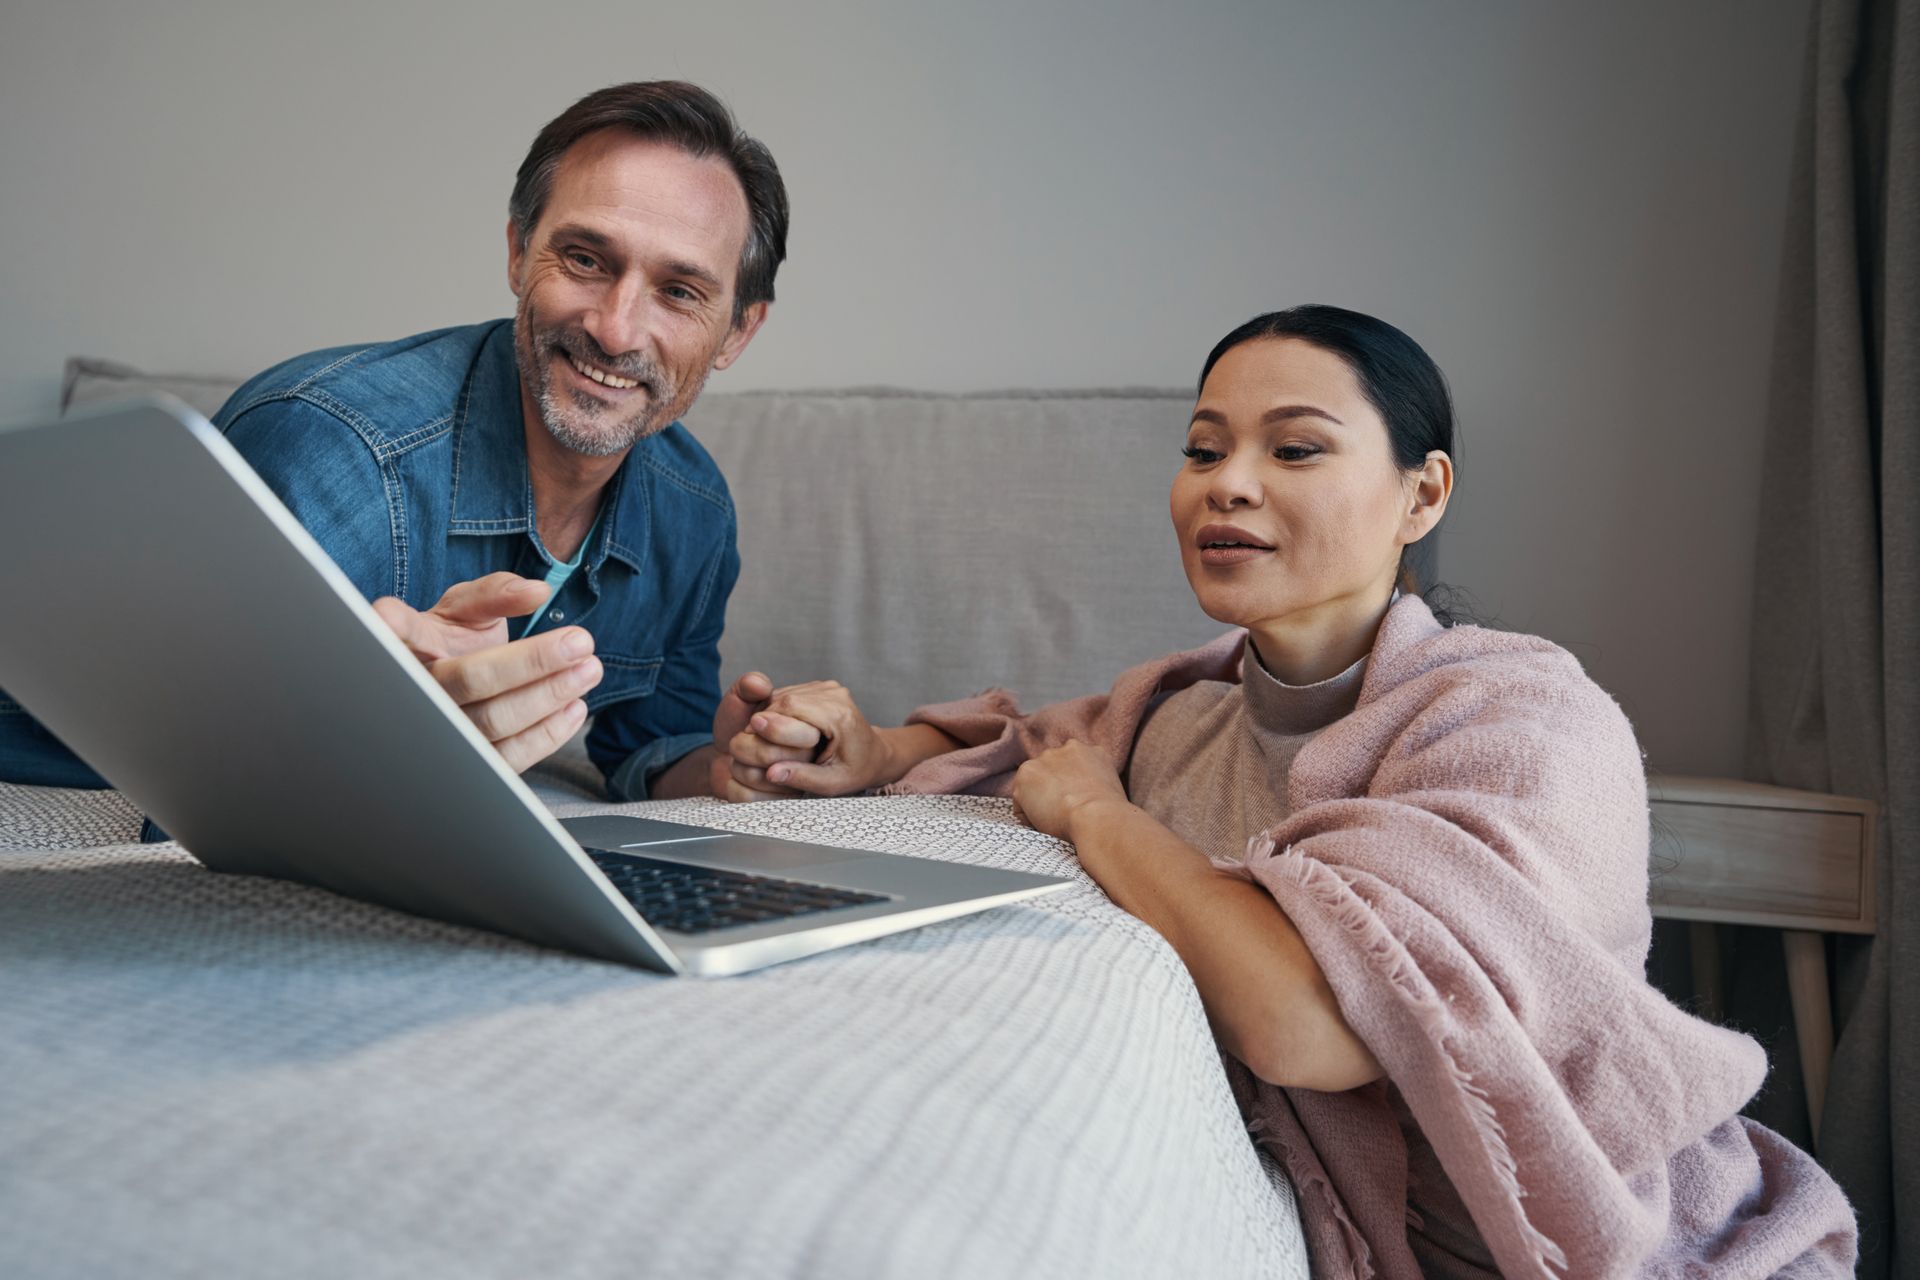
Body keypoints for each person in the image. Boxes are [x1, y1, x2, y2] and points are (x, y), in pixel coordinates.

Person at [713, 306, 1857, 1276]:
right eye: (1204, 449)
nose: (1230, 486)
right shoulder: (1183, 708)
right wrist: (869, 750)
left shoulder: (1525, 723)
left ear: (1424, 494)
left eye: (1295, 450)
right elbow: (1034, 741)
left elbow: (1307, 1022)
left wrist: (1101, 820)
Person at [0, 81, 785, 802]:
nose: (614, 330)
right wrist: (392, 747)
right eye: (584, 259)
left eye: (680, 292)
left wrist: (757, 766)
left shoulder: (694, 510)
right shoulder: (332, 452)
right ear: (518, 253)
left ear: (738, 331)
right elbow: (210, 796)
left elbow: (652, 747)